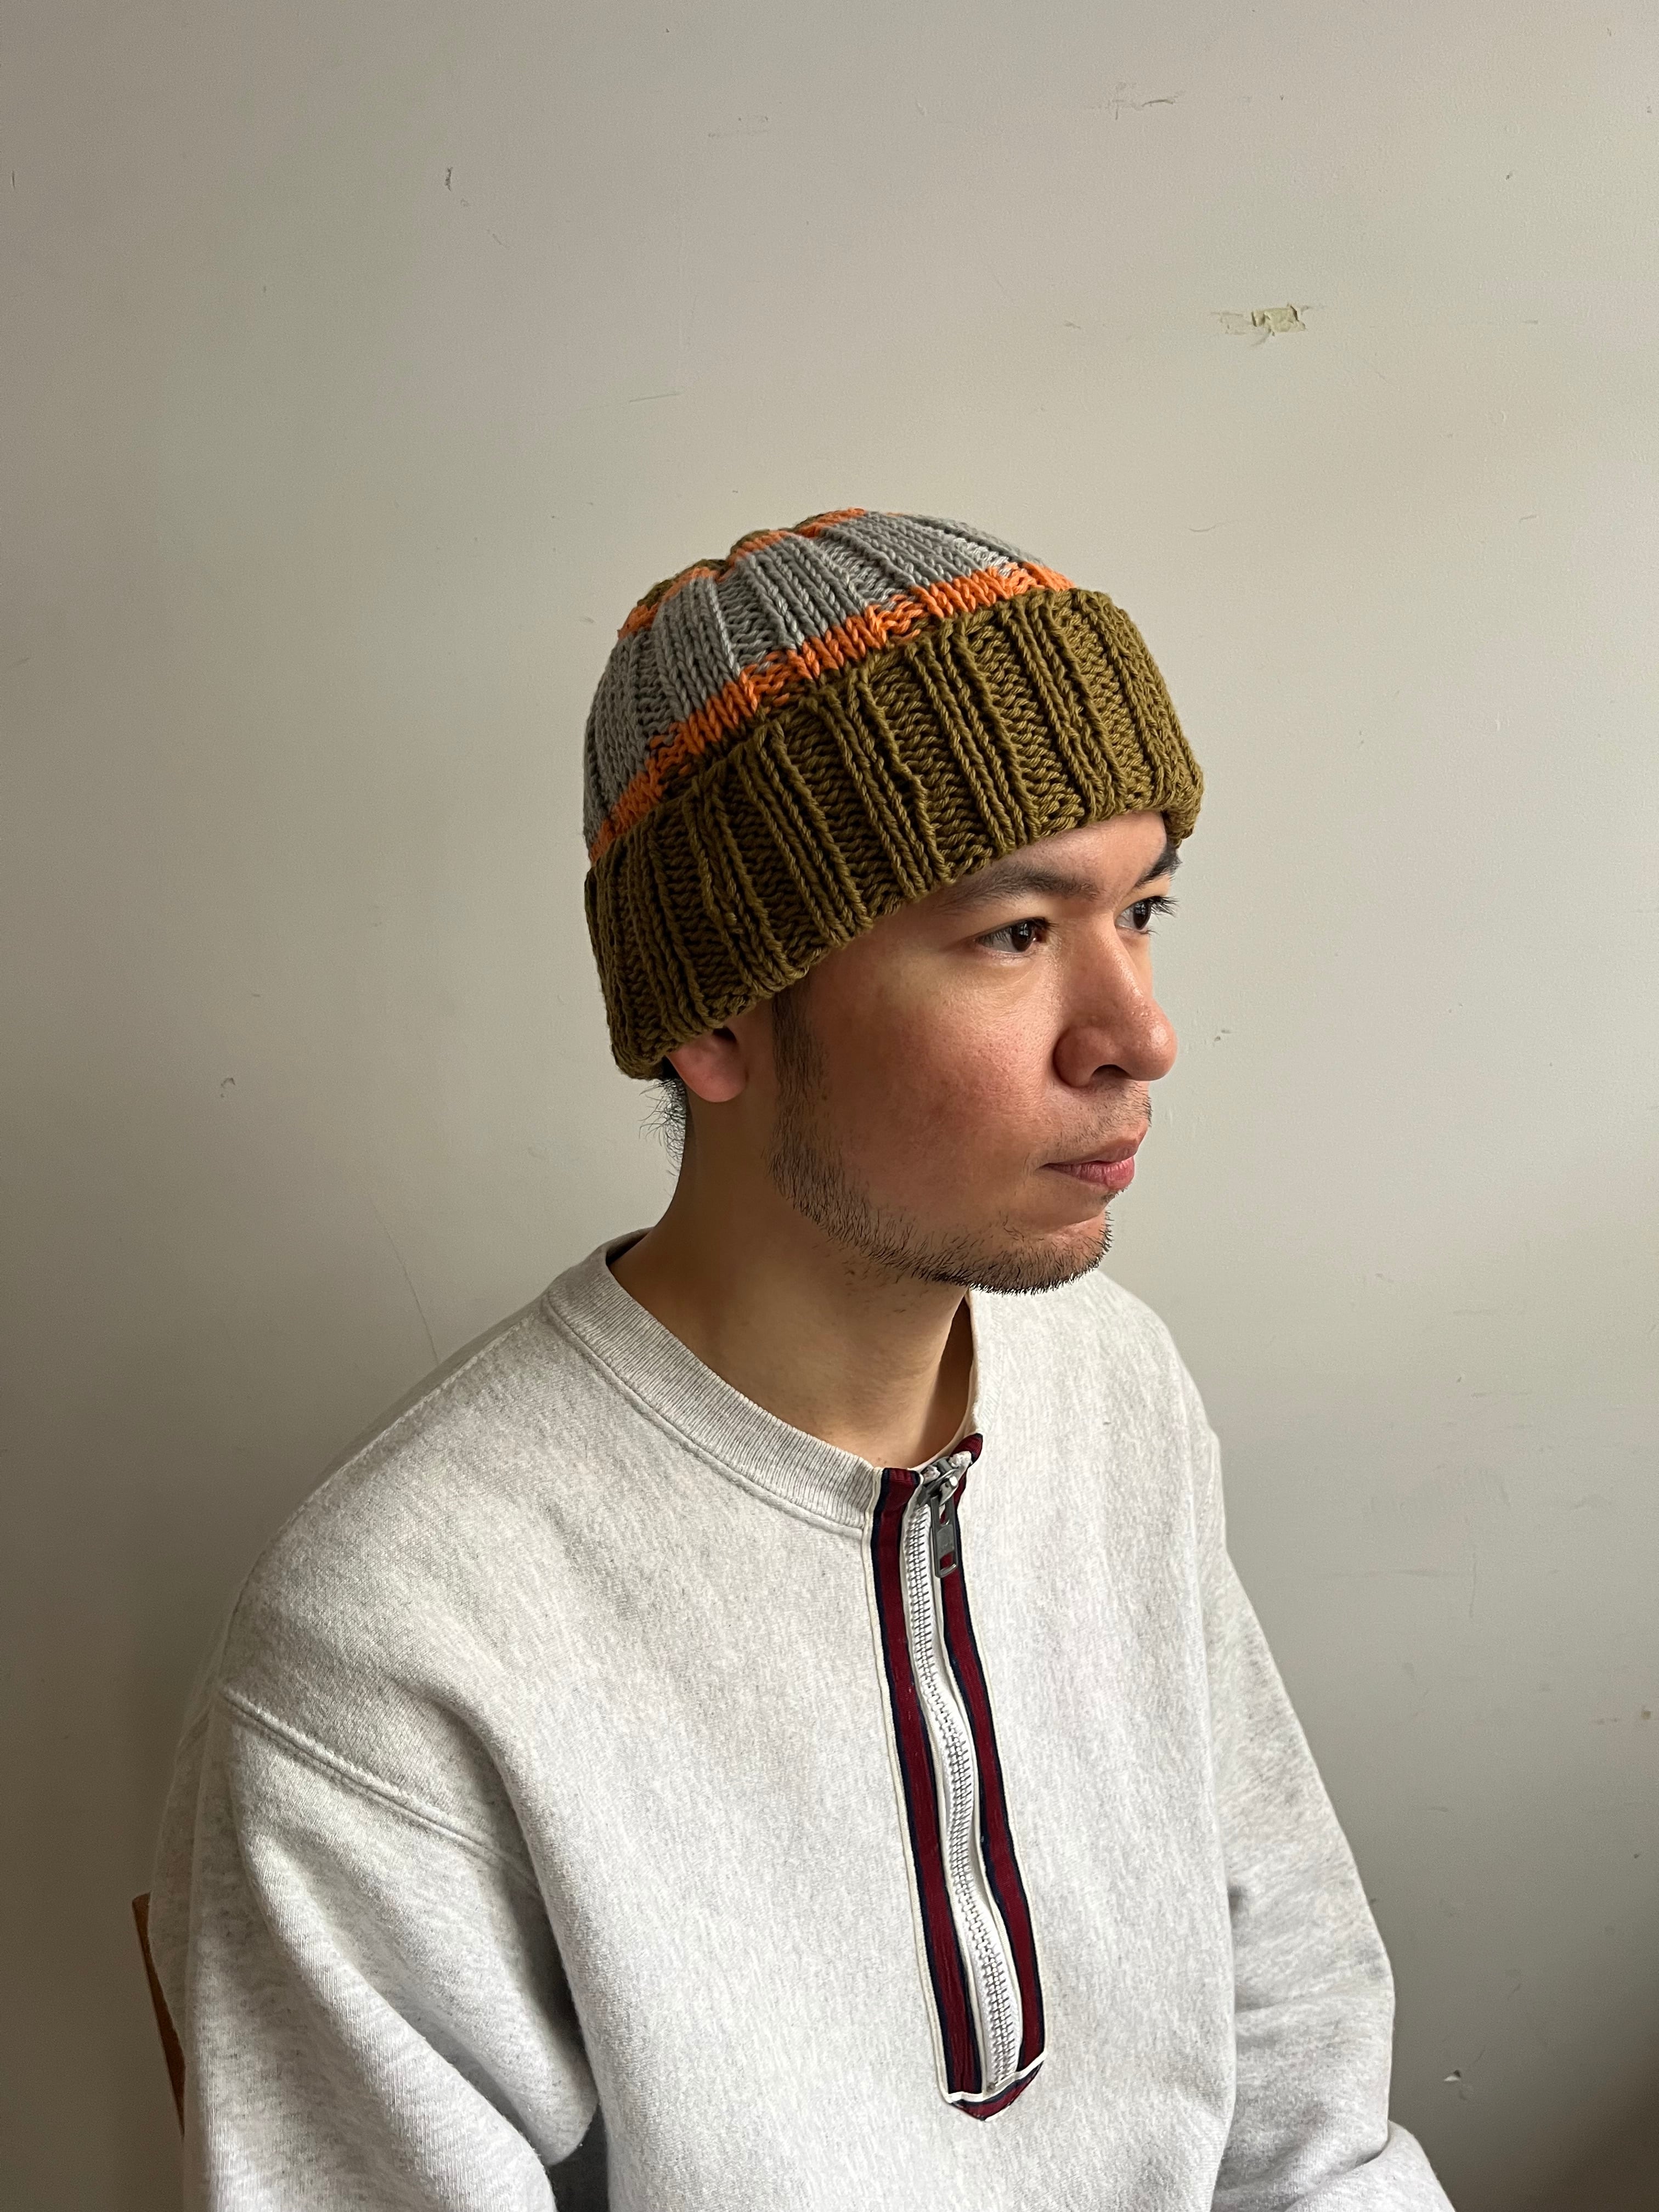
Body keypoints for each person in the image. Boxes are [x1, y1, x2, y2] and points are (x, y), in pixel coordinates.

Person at [148, 510, 1453, 2209]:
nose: (1141, 1031)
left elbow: (1305, 2100)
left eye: (1145, 908)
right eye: (1016, 932)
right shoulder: (399, 1638)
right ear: (718, 1016)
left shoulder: (1113, 1388)